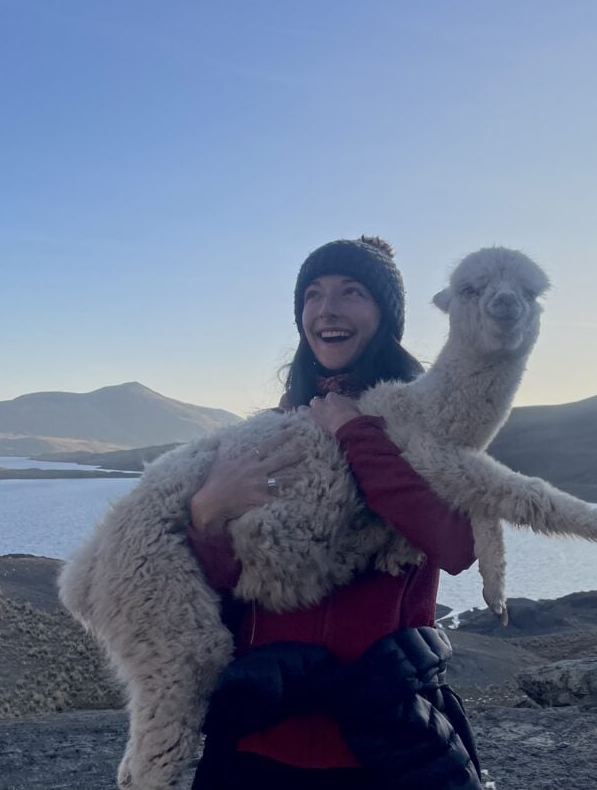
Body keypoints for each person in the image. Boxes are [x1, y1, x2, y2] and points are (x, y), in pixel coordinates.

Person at [185, 236, 482, 789]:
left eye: (353, 292)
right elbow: (221, 584)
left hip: (379, 743)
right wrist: (208, 513)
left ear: (385, 315)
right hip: (258, 736)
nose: (328, 309)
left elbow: (459, 543)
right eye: (313, 295)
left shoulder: (431, 425)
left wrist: (353, 432)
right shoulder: (270, 430)